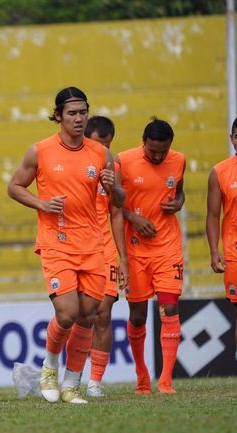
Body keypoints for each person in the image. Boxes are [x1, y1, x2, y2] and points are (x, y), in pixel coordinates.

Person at [8, 87, 122, 404]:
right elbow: (14, 187)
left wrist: (114, 188)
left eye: (83, 112)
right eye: (71, 113)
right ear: (58, 115)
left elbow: (120, 201)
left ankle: (72, 384)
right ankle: (50, 366)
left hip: (93, 244)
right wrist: (41, 205)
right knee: (68, 312)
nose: (78, 118)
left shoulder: (100, 153)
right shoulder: (40, 151)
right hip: (57, 242)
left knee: (88, 315)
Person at [117, 118, 185, 395]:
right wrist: (132, 216)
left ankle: (166, 380)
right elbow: (110, 204)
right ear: (143, 142)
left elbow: (179, 193)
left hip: (167, 246)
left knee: (169, 308)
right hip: (134, 249)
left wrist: (177, 203)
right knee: (137, 316)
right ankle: (141, 374)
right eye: (152, 151)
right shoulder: (123, 161)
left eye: (163, 151)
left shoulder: (179, 160)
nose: (158, 156)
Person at [83, 116, 128, 397]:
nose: (105, 151)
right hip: (77, 248)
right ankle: (68, 373)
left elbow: (118, 210)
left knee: (103, 314)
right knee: (77, 315)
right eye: (100, 144)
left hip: (105, 250)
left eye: (109, 145)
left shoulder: (112, 166)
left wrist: (123, 259)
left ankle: (95, 381)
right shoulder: (73, 165)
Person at [206, 112, 237, 391]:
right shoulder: (220, 172)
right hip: (236, 253)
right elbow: (212, 215)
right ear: (231, 139)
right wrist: (213, 250)